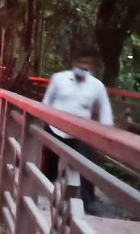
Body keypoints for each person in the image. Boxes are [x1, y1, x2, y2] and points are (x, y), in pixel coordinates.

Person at [41, 44, 113, 215]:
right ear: (74, 62)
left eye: (88, 63)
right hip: (55, 129)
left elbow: (105, 112)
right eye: (81, 62)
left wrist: (106, 134)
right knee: (49, 166)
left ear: (93, 66)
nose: (84, 66)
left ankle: (89, 200)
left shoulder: (97, 86)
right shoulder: (59, 78)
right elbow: (46, 102)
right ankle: (43, 190)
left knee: (86, 166)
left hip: (80, 134)